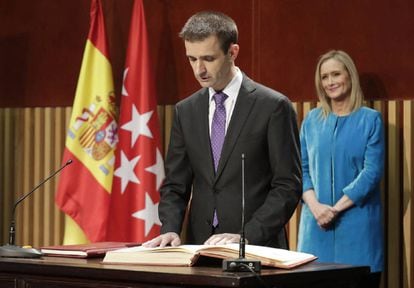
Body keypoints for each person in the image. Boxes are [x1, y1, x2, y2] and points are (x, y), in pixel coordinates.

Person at [143, 11, 301, 249]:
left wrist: (247, 236)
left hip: (258, 248)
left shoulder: (273, 106)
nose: (199, 69)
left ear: (232, 52)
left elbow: (288, 186)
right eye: (192, 59)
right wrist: (170, 229)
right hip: (200, 246)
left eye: (208, 58)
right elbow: (176, 184)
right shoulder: (185, 111)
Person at [297, 50, 384, 288]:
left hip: (359, 234)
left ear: (350, 76)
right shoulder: (311, 120)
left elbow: (371, 173)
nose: (330, 82)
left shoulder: (371, 120)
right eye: (324, 77)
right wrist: (316, 208)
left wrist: (334, 210)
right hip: (314, 231)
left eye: (336, 74)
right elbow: (301, 170)